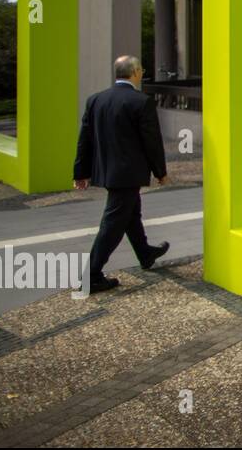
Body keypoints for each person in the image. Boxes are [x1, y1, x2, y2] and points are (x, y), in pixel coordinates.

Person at [73, 55, 171, 293]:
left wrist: (81, 172)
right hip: (128, 173)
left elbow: (84, 140)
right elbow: (152, 142)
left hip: (107, 171)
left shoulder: (95, 100)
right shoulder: (141, 102)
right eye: (141, 69)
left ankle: (145, 253)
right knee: (113, 222)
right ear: (136, 72)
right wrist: (160, 172)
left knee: (130, 213)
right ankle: (91, 275)